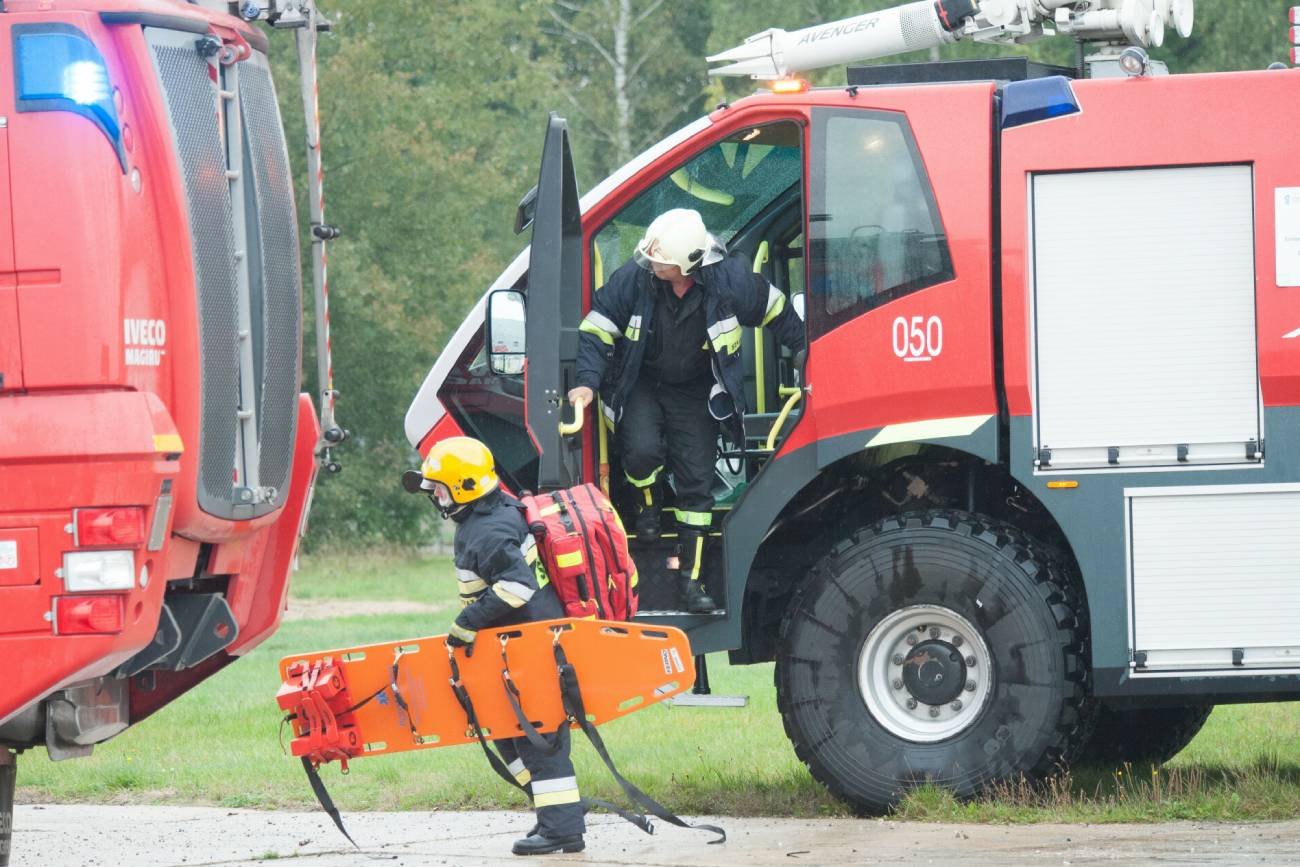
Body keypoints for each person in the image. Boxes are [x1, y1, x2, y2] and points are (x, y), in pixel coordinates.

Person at [569, 208, 805, 613]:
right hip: (641, 382)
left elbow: (777, 310)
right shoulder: (634, 278)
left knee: (697, 484)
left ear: (689, 264)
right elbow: (596, 330)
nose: (651, 264)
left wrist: (807, 353)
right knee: (641, 452)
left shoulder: (729, 282)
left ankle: (691, 582)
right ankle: (648, 506)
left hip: (696, 392)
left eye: (661, 261)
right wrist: (586, 384)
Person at [417, 436, 585, 857]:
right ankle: (558, 816)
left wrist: (466, 624)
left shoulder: (488, 531)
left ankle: (561, 830)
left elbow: (517, 587)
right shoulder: (495, 511)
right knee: (508, 736)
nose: (436, 497)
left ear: (466, 488)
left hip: (531, 648)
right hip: (518, 646)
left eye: (440, 489)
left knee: (536, 739)